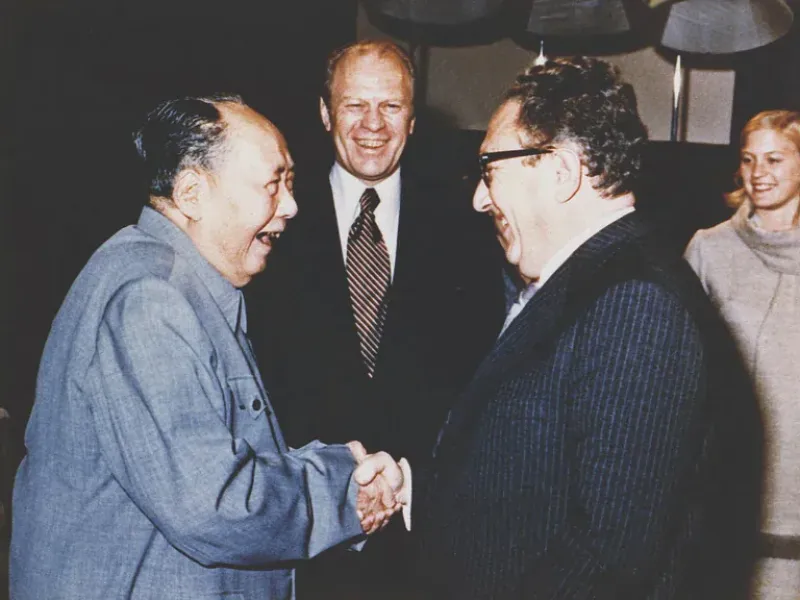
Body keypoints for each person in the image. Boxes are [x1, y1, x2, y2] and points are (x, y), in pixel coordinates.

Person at [9, 94, 407, 600]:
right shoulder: (150, 301)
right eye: (272, 184)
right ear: (193, 194)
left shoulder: (181, 285)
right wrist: (343, 491)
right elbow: (213, 504)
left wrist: (331, 467)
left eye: (289, 182)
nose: (291, 205)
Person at [413, 56, 763, 599]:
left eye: (489, 170)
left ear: (560, 172)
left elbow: (607, 556)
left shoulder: (635, 305)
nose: (480, 199)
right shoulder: (588, 281)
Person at [245, 41, 505, 598]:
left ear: (412, 119)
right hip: (297, 527)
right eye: (353, 105)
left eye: (390, 107)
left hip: (421, 532)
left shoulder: (466, 224)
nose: (372, 125)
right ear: (324, 113)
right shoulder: (269, 218)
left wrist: (405, 482)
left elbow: (476, 373)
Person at [685, 109, 800, 600]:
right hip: (730, 474)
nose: (759, 173)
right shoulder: (709, 249)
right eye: (749, 159)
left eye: (774, 159)